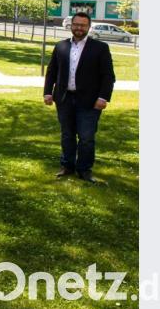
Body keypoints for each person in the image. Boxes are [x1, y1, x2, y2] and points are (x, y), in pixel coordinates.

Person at [44, 11, 115, 183]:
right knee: (67, 134)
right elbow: (52, 71)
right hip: (64, 99)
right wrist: (47, 92)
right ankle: (67, 166)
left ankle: (84, 169)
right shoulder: (60, 46)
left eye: (83, 25)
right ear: (71, 26)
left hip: (90, 101)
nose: (79, 28)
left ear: (89, 27)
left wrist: (103, 98)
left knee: (86, 137)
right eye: (76, 24)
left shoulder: (100, 48)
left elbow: (108, 76)